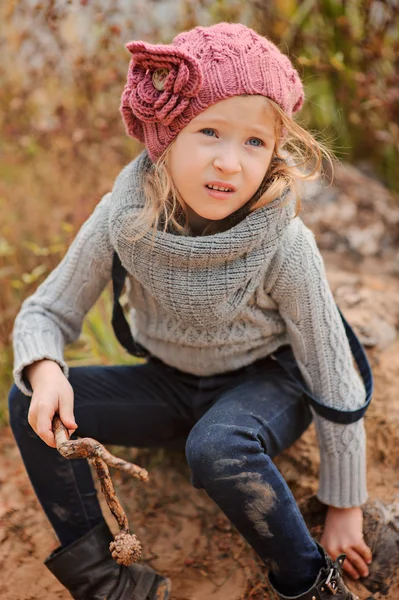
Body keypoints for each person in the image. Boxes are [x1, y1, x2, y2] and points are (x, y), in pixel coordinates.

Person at [8, 21, 374, 600]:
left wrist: (345, 505)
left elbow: (332, 373)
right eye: (209, 132)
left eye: (255, 142)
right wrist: (46, 368)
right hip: (171, 385)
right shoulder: (123, 217)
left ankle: (308, 582)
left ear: (275, 150)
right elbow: (44, 312)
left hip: (264, 388)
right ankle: (109, 579)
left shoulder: (283, 242)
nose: (230, 162)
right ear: (166, 134)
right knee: (28, 395)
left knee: (219, 446)